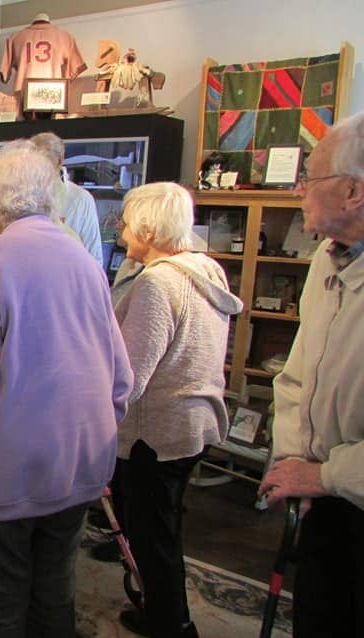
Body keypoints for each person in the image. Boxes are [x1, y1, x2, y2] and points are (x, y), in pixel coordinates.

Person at [0, 139, 133, 637]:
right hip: (80, 460)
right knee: (54, 597)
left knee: (1, 605)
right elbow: (120, 379)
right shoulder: (87, 261)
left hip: (9, 469)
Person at [112, 182, 243, 637]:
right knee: (160, 524)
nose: (123, 231)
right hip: (195, 423)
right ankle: (161, 608)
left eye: (127, 223)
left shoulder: (157, 284)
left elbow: (129, 377)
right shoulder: (205, 269)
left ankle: (171, 624)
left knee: (154, 537)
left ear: (147, 228)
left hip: (157, 431)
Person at [258, 111, 364, 636]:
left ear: (353, 192)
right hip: (321, 496)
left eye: (312, 178)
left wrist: (324, 474)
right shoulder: (327, 258)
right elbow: (296, 375)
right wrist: (293, 456)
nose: (299, 189)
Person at [30, 132, 104, 265]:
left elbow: (94, 256)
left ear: (59, 160)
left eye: (44, 160)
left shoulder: (81, 199)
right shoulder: (23, 197)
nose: (38, 168)